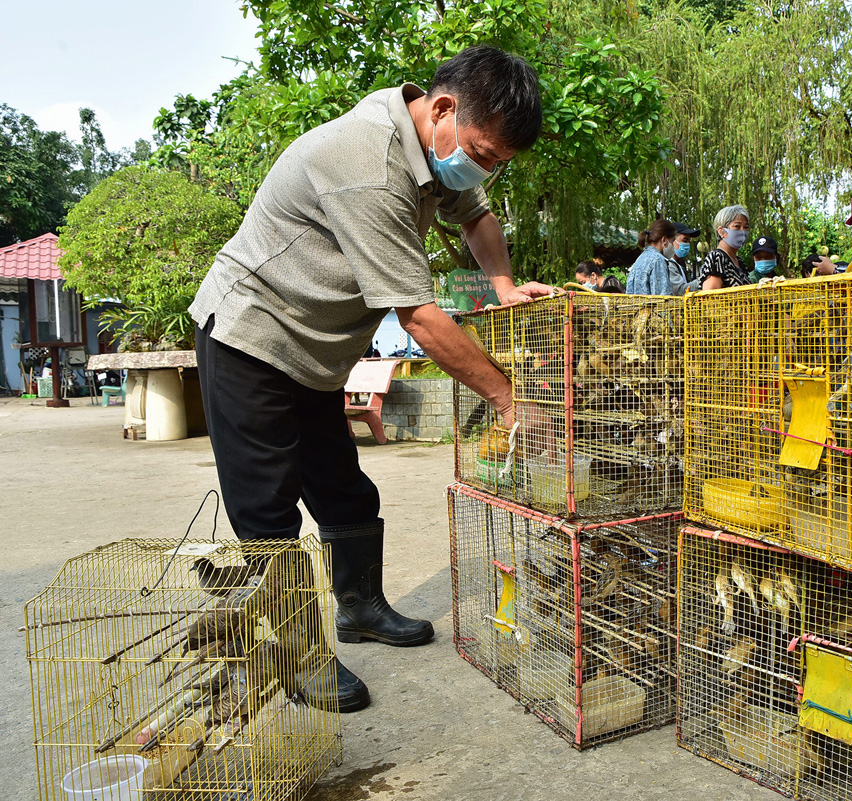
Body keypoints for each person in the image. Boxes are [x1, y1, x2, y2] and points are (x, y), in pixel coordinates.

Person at [188, 46, 553, 713]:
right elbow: (418, 316)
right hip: (251, 335)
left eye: (498, 161)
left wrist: (502, 285)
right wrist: (506, 396)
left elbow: (474, 215)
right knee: (268, 510)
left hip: (313, 351)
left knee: (345, 490)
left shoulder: (436, 143)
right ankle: (300, 656)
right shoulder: (366, 162)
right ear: (442, 108)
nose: (485, 168)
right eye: (484, 153)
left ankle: (360, 609)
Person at [699, 205, 753, 290]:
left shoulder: (739, 262)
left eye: (746, 227)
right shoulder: (717, 258)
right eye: (737, 226)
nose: (743, 231)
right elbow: (709, 297)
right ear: (721, 231)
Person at [626, 219, 683, 296]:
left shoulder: (640, 259)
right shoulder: (658, 260)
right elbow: (662, 299)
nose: (673, 246)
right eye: (672, 241)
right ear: (664, 240)